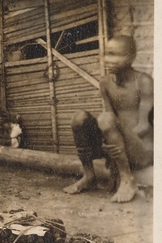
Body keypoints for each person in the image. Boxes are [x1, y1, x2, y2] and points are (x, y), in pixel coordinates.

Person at [63, 34, 153, 203]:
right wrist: (108, 144)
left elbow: (145, 126)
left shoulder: (144, 81)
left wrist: (117, 144)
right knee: (79, 117)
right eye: (107, 54)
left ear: (132, 57)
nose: (109, 60)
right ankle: (89, 175)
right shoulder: (105, 83)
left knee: (106, 119)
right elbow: (108, 117)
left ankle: (127, 179)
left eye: (116, 54)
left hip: (141, 148)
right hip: (117, 145)